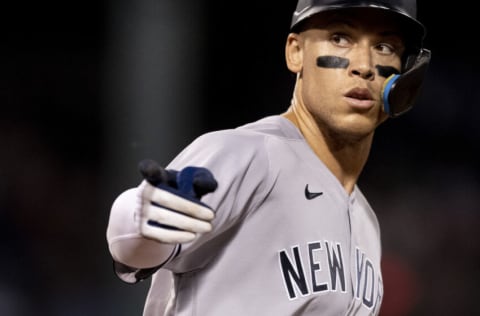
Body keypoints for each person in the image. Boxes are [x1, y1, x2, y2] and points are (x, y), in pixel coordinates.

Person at [106, 0, 431, 315]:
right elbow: (136, 249)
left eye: (385, 47)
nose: (364, 65)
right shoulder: (248, 154)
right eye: (340, 38)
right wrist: (135, 220)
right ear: (296, 51)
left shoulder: (366, 223)